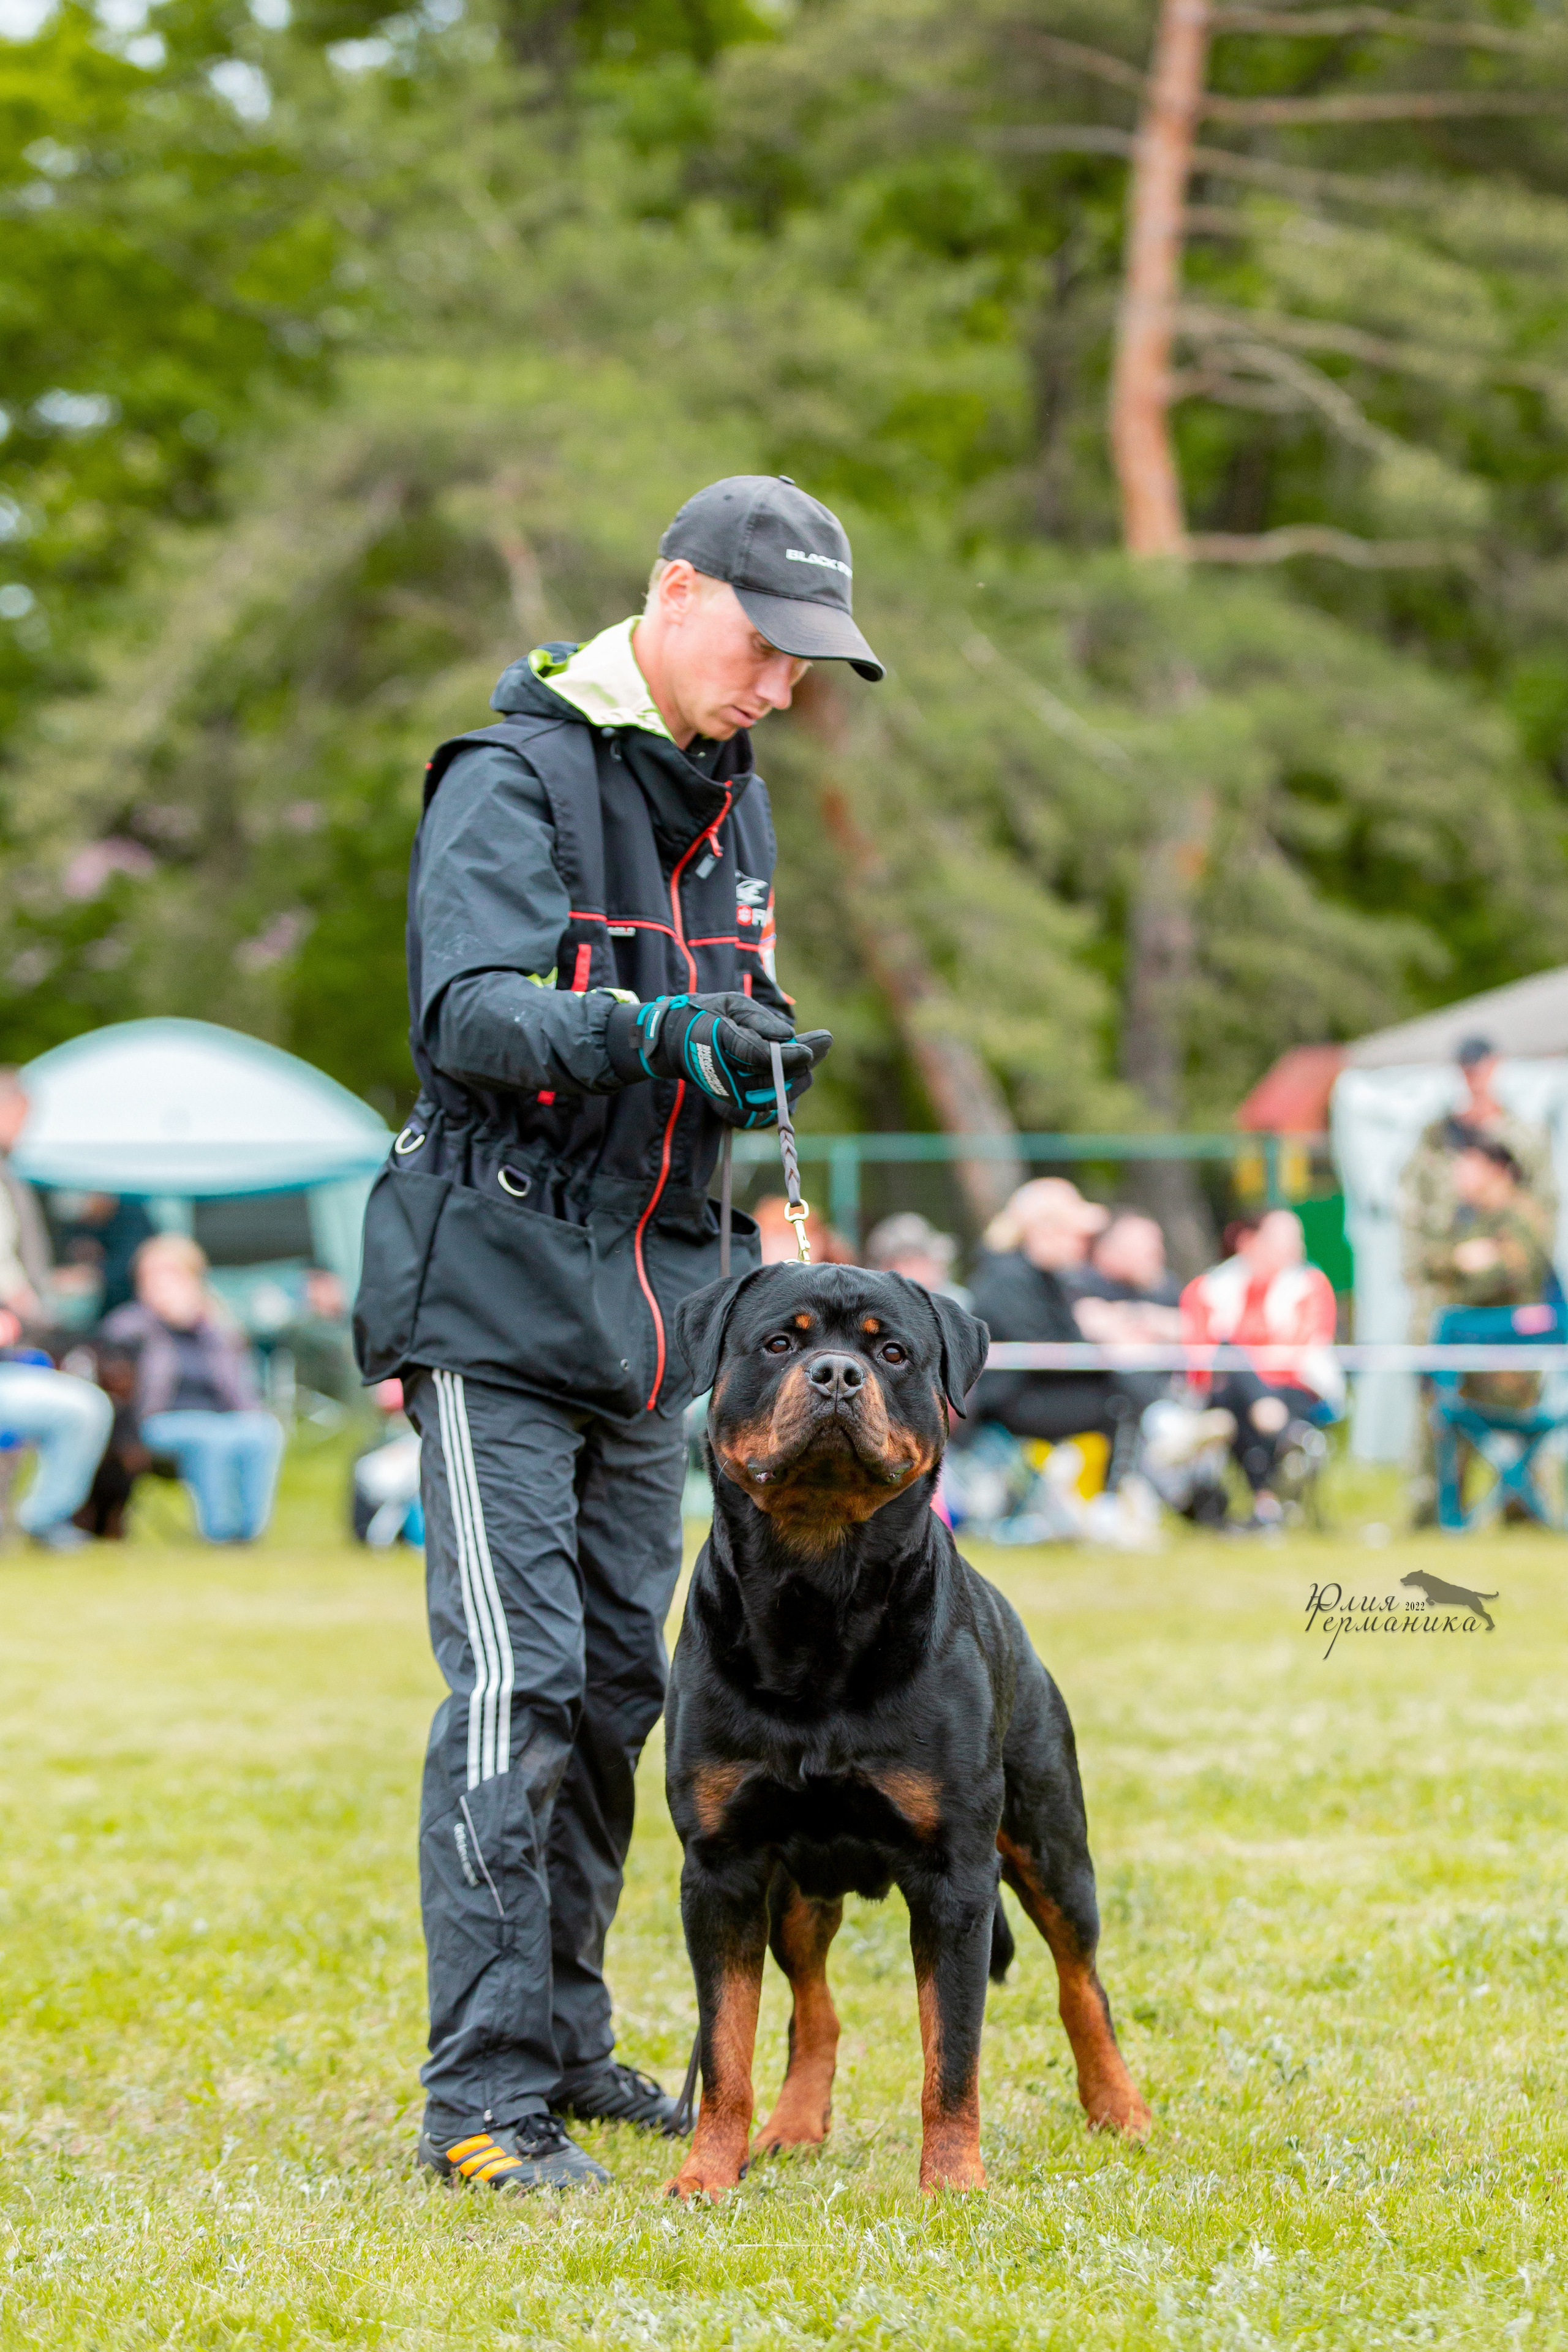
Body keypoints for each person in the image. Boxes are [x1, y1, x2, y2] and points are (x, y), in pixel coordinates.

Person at [353, 475, 881, 2195]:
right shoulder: (507, 778)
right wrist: (659, 1031)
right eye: (765, 646)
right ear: (672, 591)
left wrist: (755, 1042)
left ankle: (569, 2050)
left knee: (614, 1695)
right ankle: (480, 2108)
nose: (781, 690)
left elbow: (722, 1012)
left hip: (661, 1316)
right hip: (493, 1294)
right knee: (514, 1689)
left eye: (810, 667)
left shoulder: (735, 806)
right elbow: (472, 1018)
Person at [1398, 1036, 1556, 1521]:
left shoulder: (1522, 1147)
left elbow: (1517, 1260)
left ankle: (1524, 1507)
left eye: (1480, 1067)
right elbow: (1423, 1244)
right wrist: (1454, 1261)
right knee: (1438, 1404)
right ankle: (1440, 1505)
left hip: (1508, 1321)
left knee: (1516, 1409)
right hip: (1452, 1309)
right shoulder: (1436, 1136)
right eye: (1465, 1068)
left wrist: (1472, 1260)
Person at [100, 1234, 284, 1544]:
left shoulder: (217, 1326)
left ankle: (249, 1532)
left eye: (171, 1277)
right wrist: (160, 1324)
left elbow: (241, 1387)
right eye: (152, 1278)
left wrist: (200, 1324)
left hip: (220, 1416)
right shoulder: (129, 1326)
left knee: (263, 1430)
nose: (160, 1286)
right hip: (154, 1422)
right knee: (211, 1436)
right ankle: (220, 1533)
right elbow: (122, 1385)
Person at [1180, 1208, 1342, 1526]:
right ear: (1249, 1241)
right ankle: (1280, 1449)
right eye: (1283, 1239)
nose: (1296, 1248)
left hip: (1297, 1390)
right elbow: (1201, 1352)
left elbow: (1302, 1349)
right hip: (1232, 1392)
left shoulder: (1310, 1285)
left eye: (1298, 1240)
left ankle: (1263, 1504)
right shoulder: (1211, 1287)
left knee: (1241, 1398)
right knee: (1236, 1377)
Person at [864, 1210, 968, 1301]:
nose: (909, 1271)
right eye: (903, 1262)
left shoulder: (958, 1300)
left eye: (915, 1261)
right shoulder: (873, 1301)